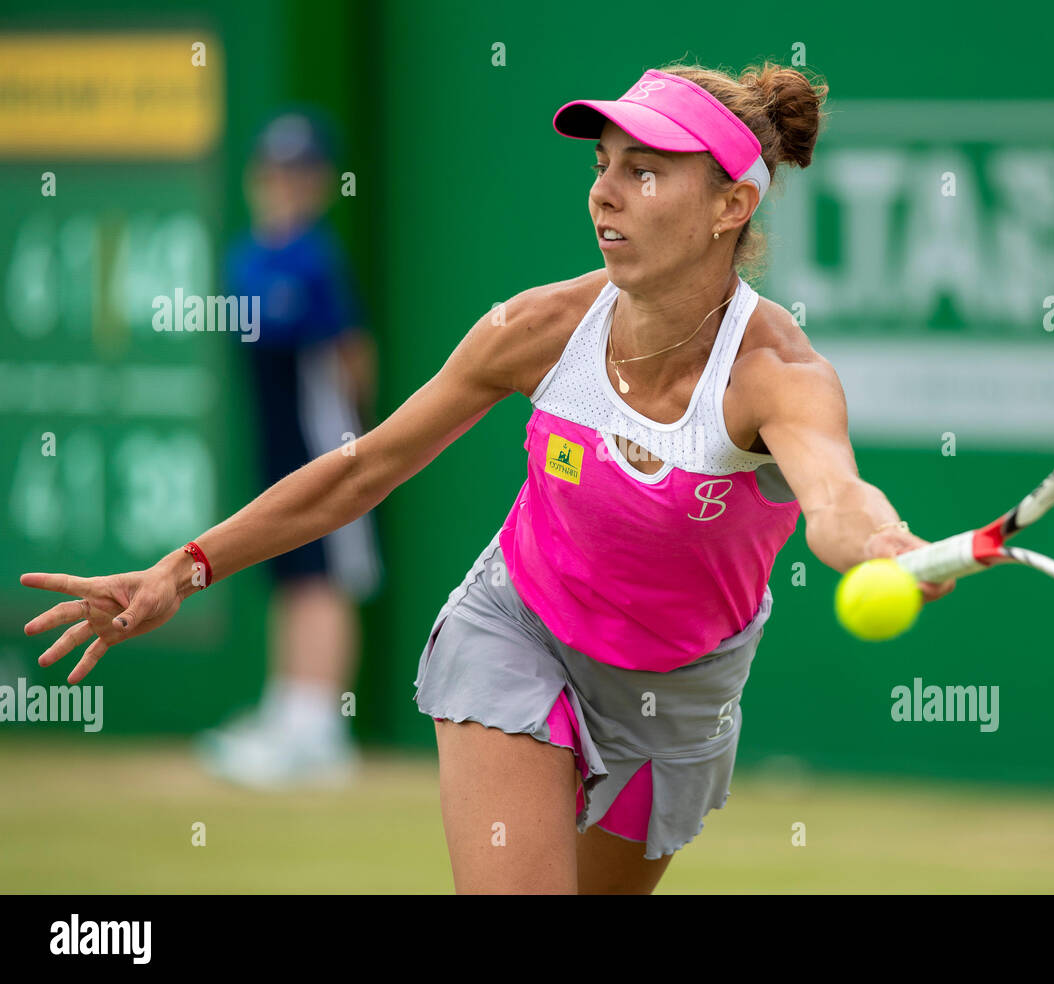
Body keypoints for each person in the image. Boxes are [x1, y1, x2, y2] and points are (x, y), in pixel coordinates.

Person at [20, 62, 953, 893]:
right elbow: (364, 466)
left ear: (731, 207)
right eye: (602, 167)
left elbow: (835, 495)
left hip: (678, 693)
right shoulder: (537, 330)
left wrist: (881, 542)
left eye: (644, 171)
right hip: (518, 627)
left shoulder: (777, 374)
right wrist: (181, 568)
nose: (606, 196)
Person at [200, 110, 383, 787]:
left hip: (323, 438)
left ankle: (321, 727)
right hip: (272, 438)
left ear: (320, 184)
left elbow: (353, 353)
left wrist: (355, 441)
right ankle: (289, 711)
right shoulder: (246, 255)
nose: (286, 184)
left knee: (325, 572)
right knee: (283, 561)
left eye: (300, 173)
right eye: (275, 172)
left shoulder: (318, 257)